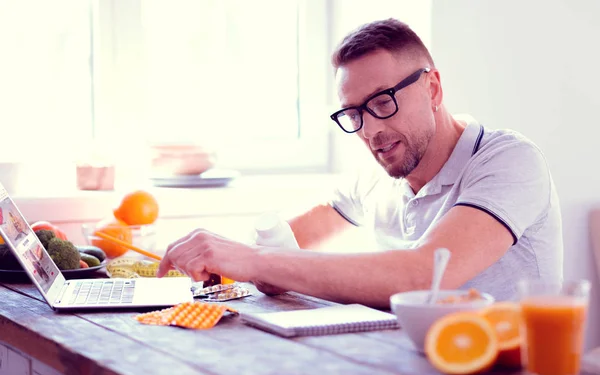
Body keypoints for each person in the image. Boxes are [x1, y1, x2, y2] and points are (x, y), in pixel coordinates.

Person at [157, 18, 562, 307]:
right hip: (403, 368)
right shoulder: (378, 174)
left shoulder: (508, 161)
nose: (370, 132)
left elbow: (423, 275)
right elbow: (287, 242)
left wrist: (255, 261)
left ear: (432, 88)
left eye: (383, 102)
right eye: (354, 114)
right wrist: (226, 256)